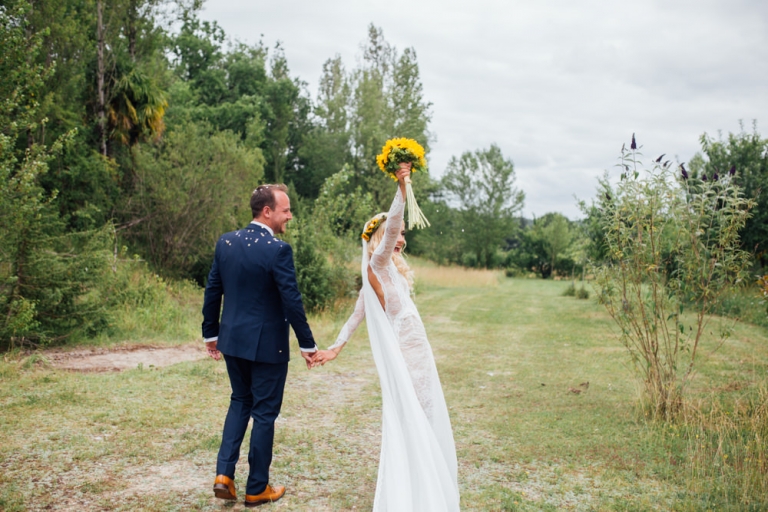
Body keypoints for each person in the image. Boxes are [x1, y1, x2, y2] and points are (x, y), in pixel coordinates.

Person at [313, 164, 460, 511]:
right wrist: (402, 188)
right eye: (397, 234)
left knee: (426, 413)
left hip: (419, 350)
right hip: (406, 353)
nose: (401, 239)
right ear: (381, 238)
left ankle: (424, 478)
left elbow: (356, 315)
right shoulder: (377, 265)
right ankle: (417, 489)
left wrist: (336, 347)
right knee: (414, 414)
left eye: (404, 234)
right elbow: (392, 224)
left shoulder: (388, 270)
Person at [201, 184, 318, 508]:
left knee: (240, 401)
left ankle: (224, 475)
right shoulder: (278, 250)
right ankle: (256, 488)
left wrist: (211, 334)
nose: (289, 216)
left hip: (232, 341)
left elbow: (213, 290)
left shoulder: (226, 242)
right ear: (267, 211)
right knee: (264, 413)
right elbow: (291, 300)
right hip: (268, 347)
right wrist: (307, 344)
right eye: (286, 210)